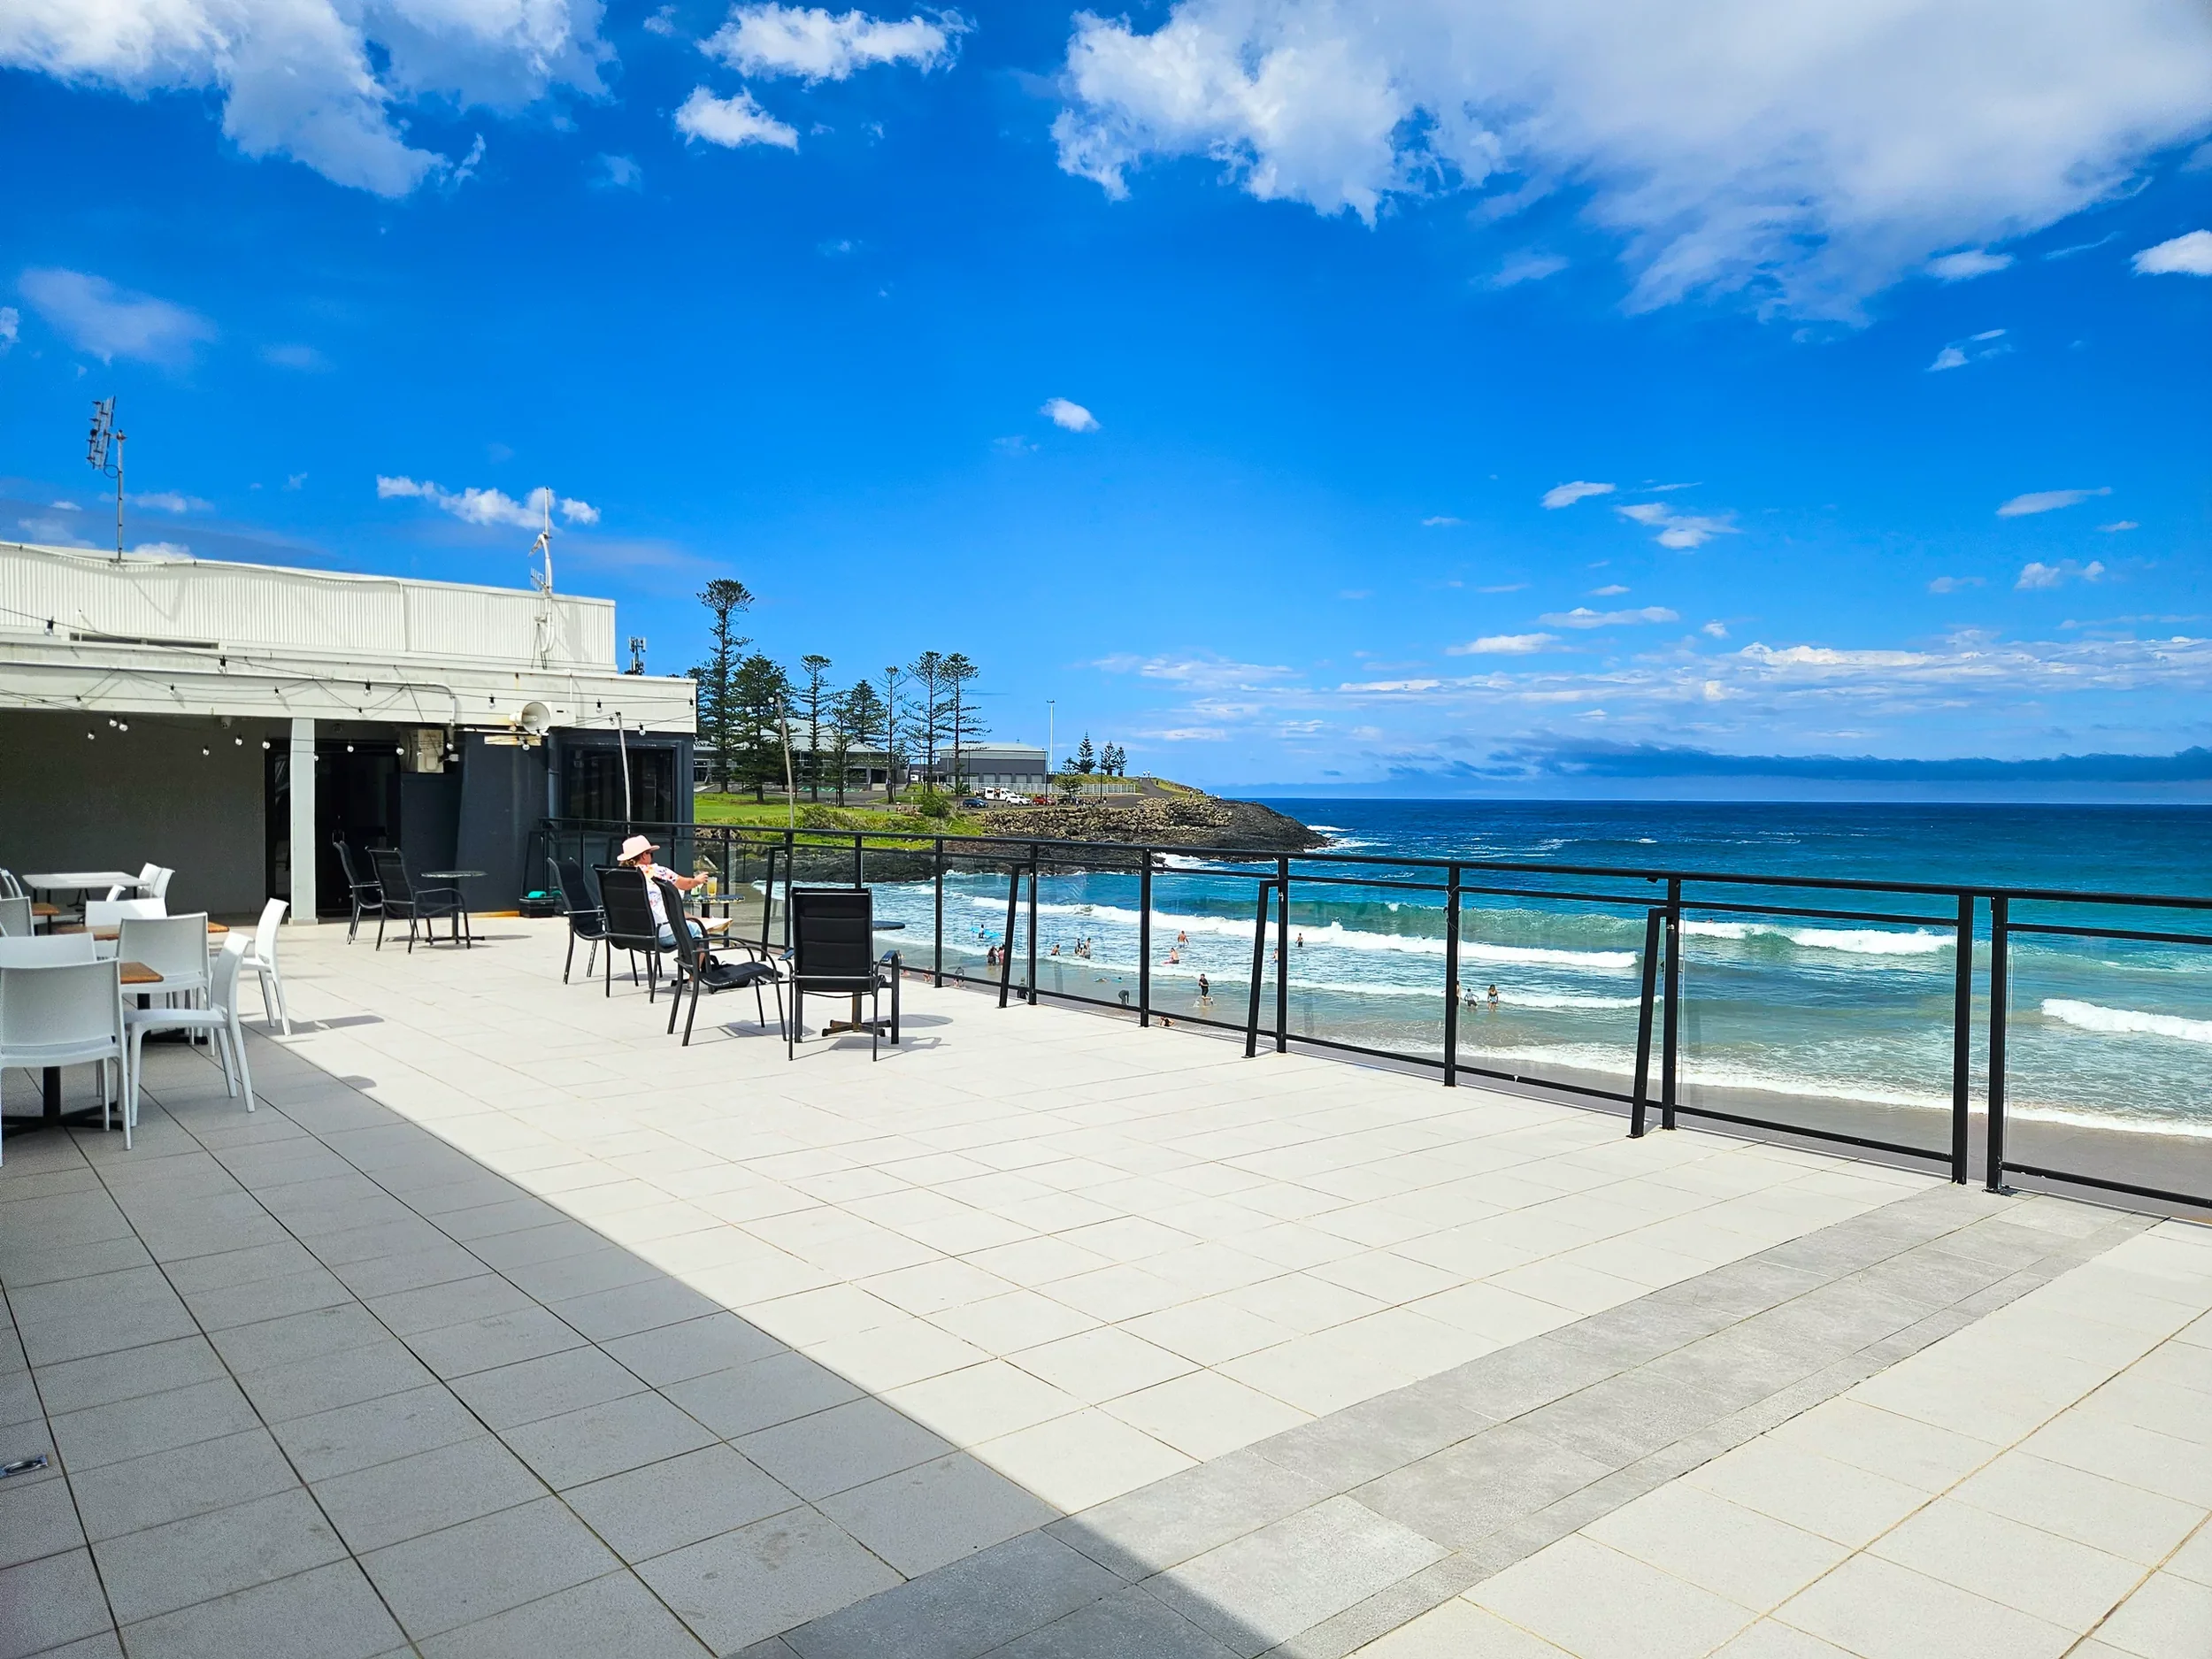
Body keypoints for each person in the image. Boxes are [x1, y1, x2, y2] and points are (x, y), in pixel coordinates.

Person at [619, 834, 704, 949]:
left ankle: (695, 964)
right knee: (698, 930)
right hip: (659, 934)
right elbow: (686, 884)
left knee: (689, 925)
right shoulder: (657, 872)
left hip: (625, 934)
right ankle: (696, 966)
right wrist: (697, 881)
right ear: (644, 856)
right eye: (650, 853)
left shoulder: (620, 876)